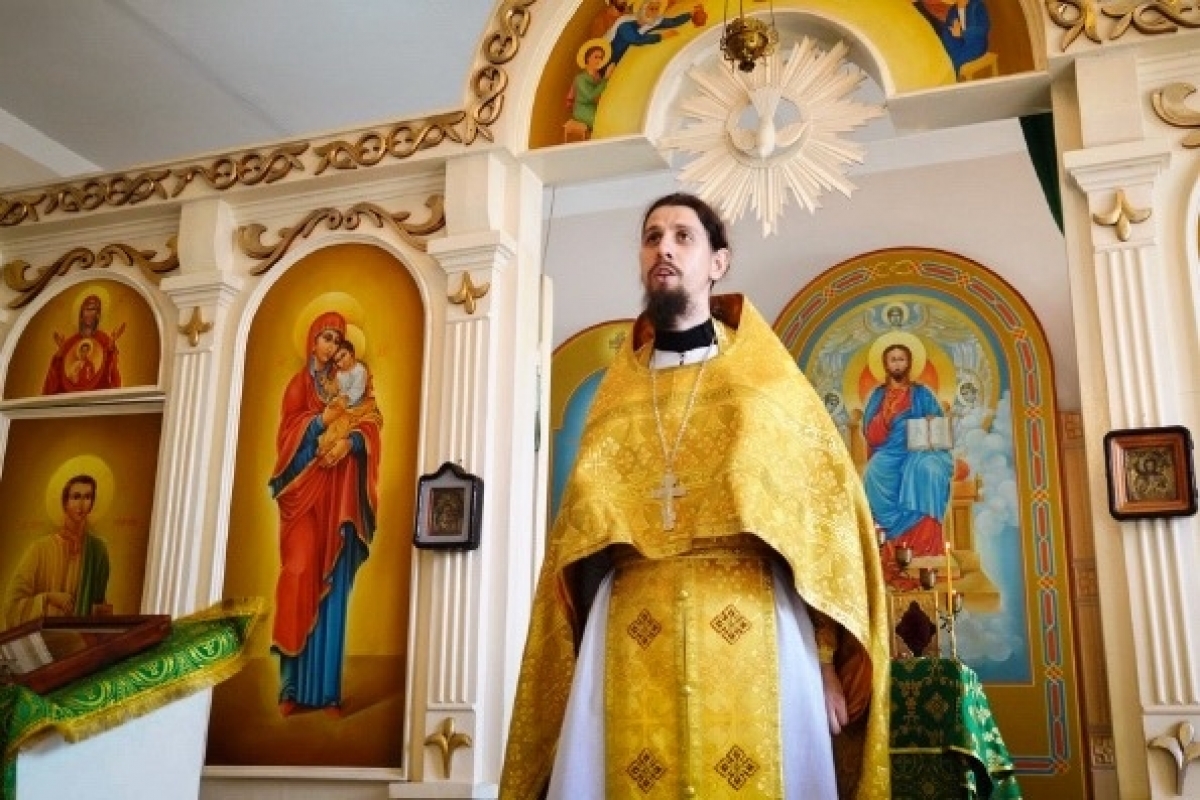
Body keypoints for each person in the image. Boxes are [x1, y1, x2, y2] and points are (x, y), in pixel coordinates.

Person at [499, 193, 890, 799]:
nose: (664, 248)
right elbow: (579, 538)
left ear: (718, 263)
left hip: (758, 628)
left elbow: (819, 530)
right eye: (652, 236)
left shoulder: (766, 385)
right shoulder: (616, 396)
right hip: (629, 629)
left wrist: (824, 660)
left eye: (683, 236)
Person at [269, 311, 382, 717]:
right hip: (303, 493)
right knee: (298, 573)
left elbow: (372, 422)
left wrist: (351, 443)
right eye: (326, 338)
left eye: (337, 339)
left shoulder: (356, 382)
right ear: (312, 341)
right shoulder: (298, 386)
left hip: (340, 499)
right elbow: (286, 444)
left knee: (333, 587)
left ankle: (327, 692)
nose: (332, 346)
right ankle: (290, 686)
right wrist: (319, 421)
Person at [861, 341, 954, 563]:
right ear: (886, 365)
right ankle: (889, 545)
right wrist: (883, 417)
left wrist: (931, 421)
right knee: (873, 471)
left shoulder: (922, 394)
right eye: (893, 360)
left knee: (928, 470)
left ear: (909, 363)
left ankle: (925, 547)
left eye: (901, 359)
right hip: (890, 451)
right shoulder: (879, 396)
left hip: (921, 451)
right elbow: (870, 435)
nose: (897, 364)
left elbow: (939, 428)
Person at [4, 474, 112, 629]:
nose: (81, 504)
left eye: (87, 497)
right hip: (44, 636)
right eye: (76, 497)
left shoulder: (98, 550)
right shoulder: (39, 549)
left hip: (80, 638)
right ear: (65, 502)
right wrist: (48, 598)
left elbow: (98, 603)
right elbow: (12, 607)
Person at [42, 293, 124, 394]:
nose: (90, 313)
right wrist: (60, 353)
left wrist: (111, 348)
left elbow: (110, 372)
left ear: (98, 315)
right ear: (81, 313)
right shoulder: (70, 342)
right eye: (87, 309)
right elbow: (57, 378)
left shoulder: (104, 339)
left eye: (94, 310)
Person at [316, 339, 380, 461]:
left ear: (351, 353)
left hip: (358, 407)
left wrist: (344, 400)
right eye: (337, 360)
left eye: (343, 355)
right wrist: (329, 387)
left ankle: (332, 449)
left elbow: (357, 391)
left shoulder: (360, 370)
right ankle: (325, 447)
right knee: (333, 425)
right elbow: (337, 390)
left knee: (342, 425)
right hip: (344, 406)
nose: (342, 362)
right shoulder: (339, 374)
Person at [914, 0, 991, 77]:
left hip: (975, 44)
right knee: (942, 57)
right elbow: (947, 31)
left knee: (950, 62)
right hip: (958, 44)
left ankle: (949, 78)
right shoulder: (953, 10)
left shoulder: (977, 6)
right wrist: (951, 33)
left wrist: (962, 33)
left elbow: (983, 29)